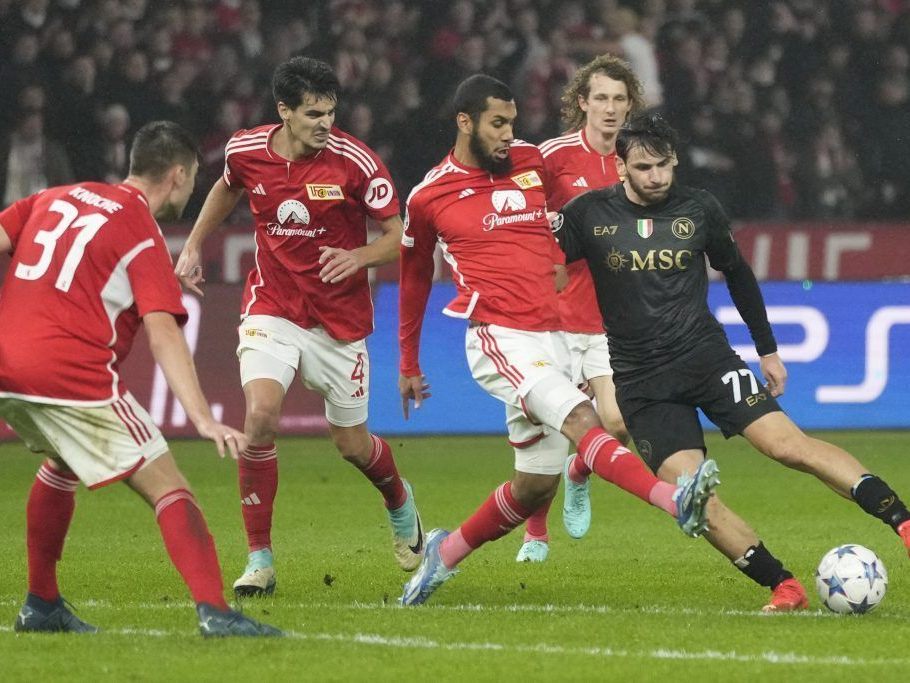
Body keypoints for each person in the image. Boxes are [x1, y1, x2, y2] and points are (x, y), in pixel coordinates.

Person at [555, 113, 910, 611]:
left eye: (663, 165)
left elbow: (738, 275)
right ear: (620, 168)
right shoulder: (587, 214)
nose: (656, 177)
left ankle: (903, 522)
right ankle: (784, 586)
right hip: (642, 383)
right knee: (693, 495)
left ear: (675, 161)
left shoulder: (699, 208)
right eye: (643, 168)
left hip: (707, 359)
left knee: (789, 447)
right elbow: (540, 270)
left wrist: (767, 350)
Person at [397, 74, 720, 607]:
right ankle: (674, 500)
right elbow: (413, 277)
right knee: (584, 420)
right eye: (497, 124)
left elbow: (569, 214)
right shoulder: (430, 194)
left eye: (512, 123)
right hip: (499, 336)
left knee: (533, 487)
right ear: (464, 122)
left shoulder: (530, 161)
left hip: (555, 334)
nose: (509, 134)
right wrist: (408, 360)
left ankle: (444, 554)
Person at [0, 121, 281, 637]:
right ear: (178, 175)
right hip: (69, 373)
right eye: (192, 180)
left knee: (62, 460)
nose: (190, 192)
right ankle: (216, 613)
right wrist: (202, 418)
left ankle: (41, 603)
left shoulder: (58, 196)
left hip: (7, 365)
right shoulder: (140, 228)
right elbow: (164, 334)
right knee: (169, 487)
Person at [174, 56, 424, 598]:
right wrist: (193, 243)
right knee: (261, 416)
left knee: (352, 445)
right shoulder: (246, 150)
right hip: (274, 307)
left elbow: (398, 235)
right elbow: (227, 187)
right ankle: (259, 560)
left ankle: (398, 500)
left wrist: (358, 257)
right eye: (313, 114)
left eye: (331, 112)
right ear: (284, 111)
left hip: (340, 322)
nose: (325, 124)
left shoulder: (356, 162)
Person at [517, 54, 645, 563]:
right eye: (601, 98)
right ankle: (535, 533)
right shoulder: (552, 157)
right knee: (549, 430)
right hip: (554, 318)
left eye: (619, 99)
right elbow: (522, 216)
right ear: (582, 103)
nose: (610, 109)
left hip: (609, 321)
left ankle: (579, 472)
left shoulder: (637, 160)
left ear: (630, 106)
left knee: (618, 425)